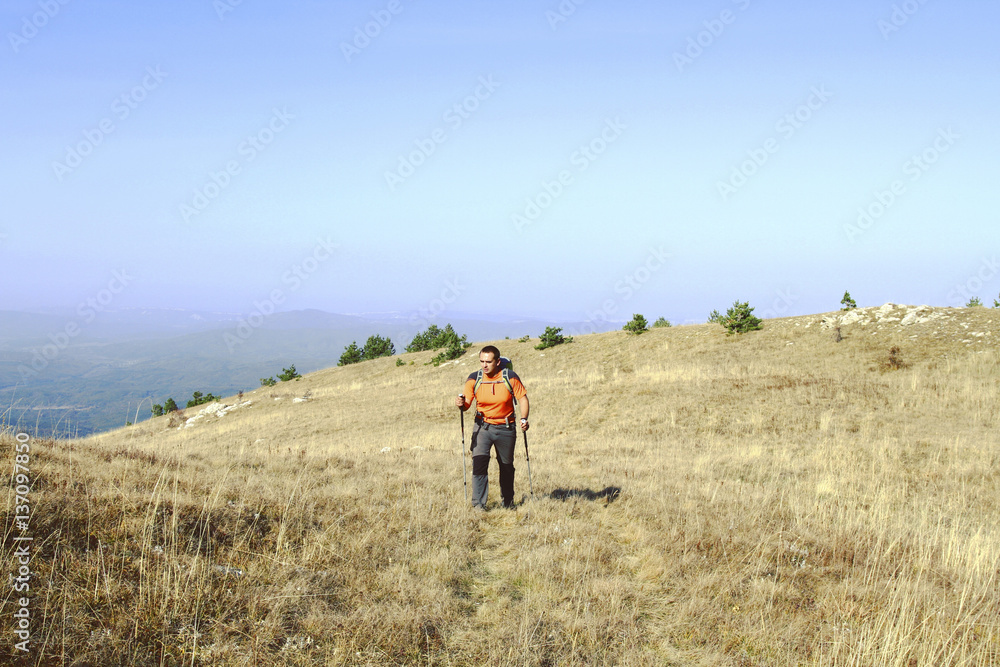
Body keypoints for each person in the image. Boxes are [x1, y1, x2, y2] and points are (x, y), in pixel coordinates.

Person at [455, 345, 529, 510]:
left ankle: (508, 502)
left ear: (498, 361)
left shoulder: (509, 377)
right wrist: (461, 404)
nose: (484, 365)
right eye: (481, 361)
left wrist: (524, 418)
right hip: (482, 427)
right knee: (479, 463)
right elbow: (466, 404)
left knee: (506, 466)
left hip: (506, 427)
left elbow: (523, 398)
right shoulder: (474, 378)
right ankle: (478, 505)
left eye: (488, 361)